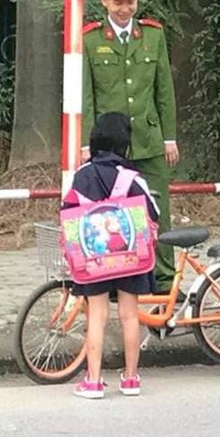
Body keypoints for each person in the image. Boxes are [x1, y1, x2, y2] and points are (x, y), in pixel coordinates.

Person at [81, 0, 178, 293]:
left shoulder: (153, 34)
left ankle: (163, 278)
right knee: (110, 213)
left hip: (148, 140)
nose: (125, 9)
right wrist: (85, 144)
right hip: (110, 146)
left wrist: (169, 137)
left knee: (157, 208)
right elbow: (86, 96)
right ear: (104, 1)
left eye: (131, 2)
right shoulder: (91, 40)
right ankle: (113, 279)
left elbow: (164, 90)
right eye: (119, 1)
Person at [63, 112, 160, 399]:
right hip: (130, 257)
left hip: (93, 261)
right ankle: (130, 379)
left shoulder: (82, 176)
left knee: (97, 315)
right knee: (130, 316)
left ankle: (93, 382)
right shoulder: (132, 178)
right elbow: (154, 212)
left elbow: (68, 214)